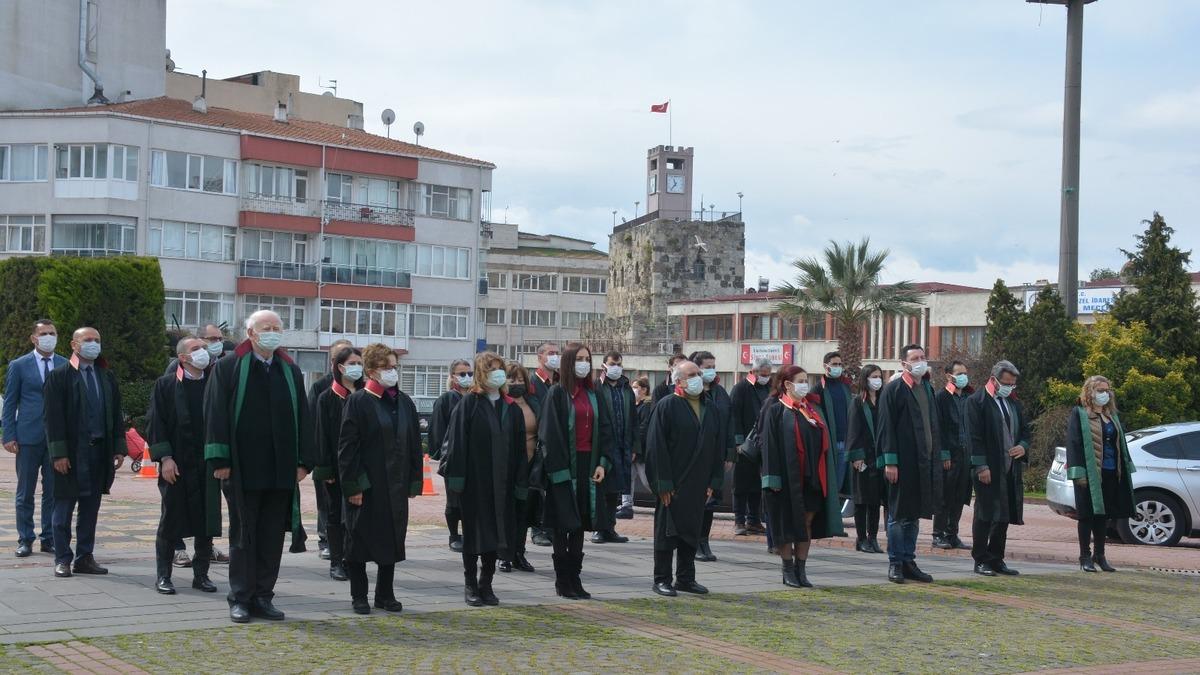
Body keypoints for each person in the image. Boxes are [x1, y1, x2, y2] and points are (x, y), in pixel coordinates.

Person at [204, 310, 316, 623]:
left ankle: (264, 596)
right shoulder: (229, 367)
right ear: (251, 333)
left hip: (280, 469)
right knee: (243, 535)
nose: (273, 332)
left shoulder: (289, 370)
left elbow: (304, 416)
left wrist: (304, 462)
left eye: (277, 328)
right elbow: (215, 413)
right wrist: (220, 459)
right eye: (267, 327)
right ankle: (240, 597)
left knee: (271, 536)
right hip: (243, 468)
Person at [336, 343, 421, 615]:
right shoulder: (358, 401)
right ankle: (359, 595)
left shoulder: (404, 402)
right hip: (367, 485)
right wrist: (353, 485)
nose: (392, 372)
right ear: (371, 370)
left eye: (395, 367)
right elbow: (348, 448)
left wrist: (413, 481)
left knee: (391, 539)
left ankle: (385, 594)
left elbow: (414, 444)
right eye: (386, 367)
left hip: (394, 485)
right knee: (359, 541)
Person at [444, 352, 528, 606]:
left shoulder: (511, 408)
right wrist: (457, 483)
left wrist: (520, 482)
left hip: (503, 484)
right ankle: (470, 584)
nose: (497, 373)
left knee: (496, 535)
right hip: (476, 483)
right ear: (482, 373)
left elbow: (520, 450)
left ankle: (486, 584)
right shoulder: (469, 404)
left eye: (500, 368)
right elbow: (457, 444)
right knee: (474, 535)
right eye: (491, 368)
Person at [43, 327, 127, 578]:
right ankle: (62, 558)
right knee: (63, 508)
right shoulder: (60, 376)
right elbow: (52, 418)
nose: (93, 344)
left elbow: (116, 414)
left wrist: (119, 447)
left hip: (99, 453)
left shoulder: (106, 376)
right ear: (74, 345)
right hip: (70, 454)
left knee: (90, 509)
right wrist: (59, 454)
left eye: (97, 340)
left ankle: (85, 557)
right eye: (87, 340)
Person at [538, 342, 612, 600]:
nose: (584, 363)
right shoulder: (557, 393)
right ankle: (562, 580)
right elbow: (549, 435)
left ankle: (575, 578)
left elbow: (606, 430)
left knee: (580, 523)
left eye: (587, 359)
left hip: (589, 466)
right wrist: (558, 472)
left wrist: (603, 462)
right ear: (569, 362)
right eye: (579, 359)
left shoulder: (594, 393)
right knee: (562, 525)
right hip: (563, 468)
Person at [645, 359, 725, 597]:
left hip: (699, 482)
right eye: (691, 375)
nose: (698, 378)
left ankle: (686, 578)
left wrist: (713, 481)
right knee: (666, 532)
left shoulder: (710, 407)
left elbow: (717, 445)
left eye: (698, 373)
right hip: (673, 482)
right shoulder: (667, 405)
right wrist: (662, 483)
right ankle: (662, 578)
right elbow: (656, 446)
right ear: (678, 381)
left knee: (692, 531)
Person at [146, 337, 220, 595]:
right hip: (176, 464)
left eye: (204, 348)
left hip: (207, 463)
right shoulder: (166, 385)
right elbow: (155, 423)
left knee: (206, 521)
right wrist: (165, 458)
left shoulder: (215, 384)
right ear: (183, 357)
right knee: (171, 519)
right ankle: (163, 576)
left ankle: (201, 575)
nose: (203, 352)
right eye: (196, 349)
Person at [759, 366, 844, 588]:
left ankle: (801, 569)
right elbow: (768, 445)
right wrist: (771, 479)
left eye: (806, 380)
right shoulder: (775, 409)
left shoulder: (812, 410)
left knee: (806, 522)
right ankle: (787, 569)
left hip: (812, 477)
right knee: (786, 524)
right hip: (785, 478)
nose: (805, 385)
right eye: (801, 381)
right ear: (787, 384)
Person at [163, 324, 231, 569]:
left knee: (208, 508)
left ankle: (204, 560)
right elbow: (160, 419)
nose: (212, 346)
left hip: (208, 454)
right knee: (174, 508)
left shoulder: (216, 374)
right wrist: (165, 457)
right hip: (180, 454)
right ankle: (175, 552)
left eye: (218, 339)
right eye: (208, 340)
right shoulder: (171, 378)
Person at [877, 344, 943, 584]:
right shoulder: (893, 390)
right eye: (915, 358)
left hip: (923, 462)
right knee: (897, 514)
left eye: (923, 357)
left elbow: (933, 425)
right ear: (904, 363)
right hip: (901, 462)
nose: (920, 362)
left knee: (914, 513)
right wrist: (890, 462)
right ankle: (895, 562)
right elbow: (885, 427)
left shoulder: (927, 388)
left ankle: (908, 561)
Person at [3, 319, 66, 558]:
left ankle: (48, 538)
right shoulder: (19, 365)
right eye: (44, 333)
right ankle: (25, 538)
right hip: (27, 437)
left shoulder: (64, 364)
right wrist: (8, 435)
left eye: (52, 333)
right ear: (33, 338)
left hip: (56, 440)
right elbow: (10, 402)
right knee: (25, 492)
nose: (49, 337)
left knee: (53, 491)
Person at [965, 360, 1028, 577]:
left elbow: (1025, 431)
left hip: (1010, 466)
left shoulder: (1013, 403)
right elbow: (974, 437)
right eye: (1006, 383)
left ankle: (996, 558)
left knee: (1004, 515)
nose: (1010, 387)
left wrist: (1023, 446)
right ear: (994, 379)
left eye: (1013, 384)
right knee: (985, 514)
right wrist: (981, 466)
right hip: (987, 467)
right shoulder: (977, 401)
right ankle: (980, 559)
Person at [1066, 376, 1134, 573]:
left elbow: (1120, 443)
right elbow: (1073, 444)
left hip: (1111, 472)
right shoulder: (1079, 413)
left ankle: (1100, 555)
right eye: (1101, 390)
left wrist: (1125, 468)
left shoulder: (1111, 414)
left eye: (1107, 390)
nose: (1105, 394)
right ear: (1090, 392)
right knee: (1086, 516)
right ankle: (1084, 557)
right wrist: (1078, 473)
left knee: (1103, 517)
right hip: (1089, 474)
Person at [312, 346, 363, 582]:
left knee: (357, 516)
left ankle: (353, 558)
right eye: (352, 363)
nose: (357, 368)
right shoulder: (327, 397)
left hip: (361, 466)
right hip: (335, 466)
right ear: (340, 367)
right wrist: (325, 468)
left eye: (359, 363)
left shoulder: (365, 395)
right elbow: (321, 434)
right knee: (334, 514)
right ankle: (336, 561)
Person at [302, 338, 353, 559]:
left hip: (352, 458)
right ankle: (326, 541)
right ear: (333, 362)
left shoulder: (360, 387)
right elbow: (314, 424)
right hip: (328, 455)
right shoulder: (321, 388)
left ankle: (349, 544)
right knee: (327, 503)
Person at [689, 351, 736, 562]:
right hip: (696, 456)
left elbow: (730, 424)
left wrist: (729, 454)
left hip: (717, 455)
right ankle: (693, 542)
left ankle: (704, 540)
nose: (712, 371)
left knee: (711, 500)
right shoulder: (693, 393)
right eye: (707, 367)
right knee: (696, 500)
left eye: (713, 366)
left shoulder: (721, 393)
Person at [429, 358, 472, 552]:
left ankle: (471, 533)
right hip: (454, 458)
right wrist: (443, 455)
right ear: (453, 376)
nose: (467, 377)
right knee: (454, 499)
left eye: (470, 373)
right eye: (462, 374)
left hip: (474, 458)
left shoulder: (475, 398)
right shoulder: (446, 400)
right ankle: (454, 535)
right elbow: (438, 429)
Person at [499, 362, 538, 574]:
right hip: (506, 466)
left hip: (530, 466)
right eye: (511, 379)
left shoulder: (533, 403)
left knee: (523, 512)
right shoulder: (500, 404)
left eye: (520, 379)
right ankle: (503, 554)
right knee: (506, 512)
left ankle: (519, 553)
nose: (516, 383)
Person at [729, 357, 772, 536]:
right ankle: (739, 520)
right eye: (763, 374)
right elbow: (734, 415)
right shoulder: (741, 388)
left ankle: (754, 520)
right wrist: (738, 441)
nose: (766, 377)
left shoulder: (770, 388)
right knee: (741, 483)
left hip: (763, 442)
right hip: (745, 444)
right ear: (754, 372)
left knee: (757, 484)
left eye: (768, 374)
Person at [933, 361, 973, 550]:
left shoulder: (968, 397)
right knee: (945, 496)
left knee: (960, 496)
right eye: (959, 373)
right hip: (949, 455)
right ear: (949, 376)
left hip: (965, 454)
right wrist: (944, 454)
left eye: (965, 373)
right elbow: (938, 428)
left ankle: (952, 534)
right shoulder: (941, 397)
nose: (963, 376)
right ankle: (938, 534)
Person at [593, 351, 633, 541]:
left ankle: (610, 528)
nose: (616, 367)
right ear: (604, 366)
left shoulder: (626, 388)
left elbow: (633, 418)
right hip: (602, 446)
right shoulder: (597, 387)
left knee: (615, 490)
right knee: (601, 488)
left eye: (619, 364)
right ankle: (598, 528)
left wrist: (634, 447)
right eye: (612, 364)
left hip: (623, 445)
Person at [847, 364, 886, 554]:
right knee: (862, 500)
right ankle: (861, 538)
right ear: (865, 379)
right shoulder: (858, 402)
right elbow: (853, 430)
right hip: (863, 457)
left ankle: (873, 538)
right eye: (873, 377)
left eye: (879, 376)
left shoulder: (883, 400)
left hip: (879, 457)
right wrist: (856, 456)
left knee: (875, 501)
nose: (877, 380)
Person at [525, 343, 560, 548]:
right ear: (540, 357)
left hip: (558, 442)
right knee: (537, 487)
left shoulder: (560, 381)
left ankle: (550, 527)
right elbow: (538, 411)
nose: (555, 357)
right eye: (550, 353)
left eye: (557, 353)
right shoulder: (533, 382)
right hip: (540, 442)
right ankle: (537, 528)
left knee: (553, 487)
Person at [811, 351, 853, 515]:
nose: (838, 367)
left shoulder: (845, 386)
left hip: (846, 442)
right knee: (830, 483)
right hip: (830, 443)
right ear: (825, 366)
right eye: (834, 364)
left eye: (840, 364)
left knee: (840, 484)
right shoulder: (818, 388)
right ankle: (827, 517)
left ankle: (834, 516)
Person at [631, 376, 655, 500]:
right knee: (629, 478)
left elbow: (643, 428)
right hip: (633, 449)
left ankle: (663, 499)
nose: (633, 390)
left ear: (644, 390)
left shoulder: (646, 406)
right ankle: (627, 504)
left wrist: (634, 448)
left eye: (636, 387)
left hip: (641, 451)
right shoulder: (634, 405)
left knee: (646, 480)